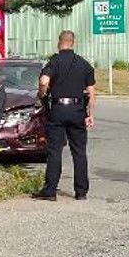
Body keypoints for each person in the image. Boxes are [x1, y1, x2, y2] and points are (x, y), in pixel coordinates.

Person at [33, 30, 96, 201]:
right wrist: (90, 114)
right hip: (78, 111)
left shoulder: (54, 61)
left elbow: (43, 81)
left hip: (58, 110)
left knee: (55, 151)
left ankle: (50, 191)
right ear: (73, 43)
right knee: (79, 151)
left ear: (59, 42)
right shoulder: (84, 64)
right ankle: (81, 191)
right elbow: (91, 92)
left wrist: (42, 93)